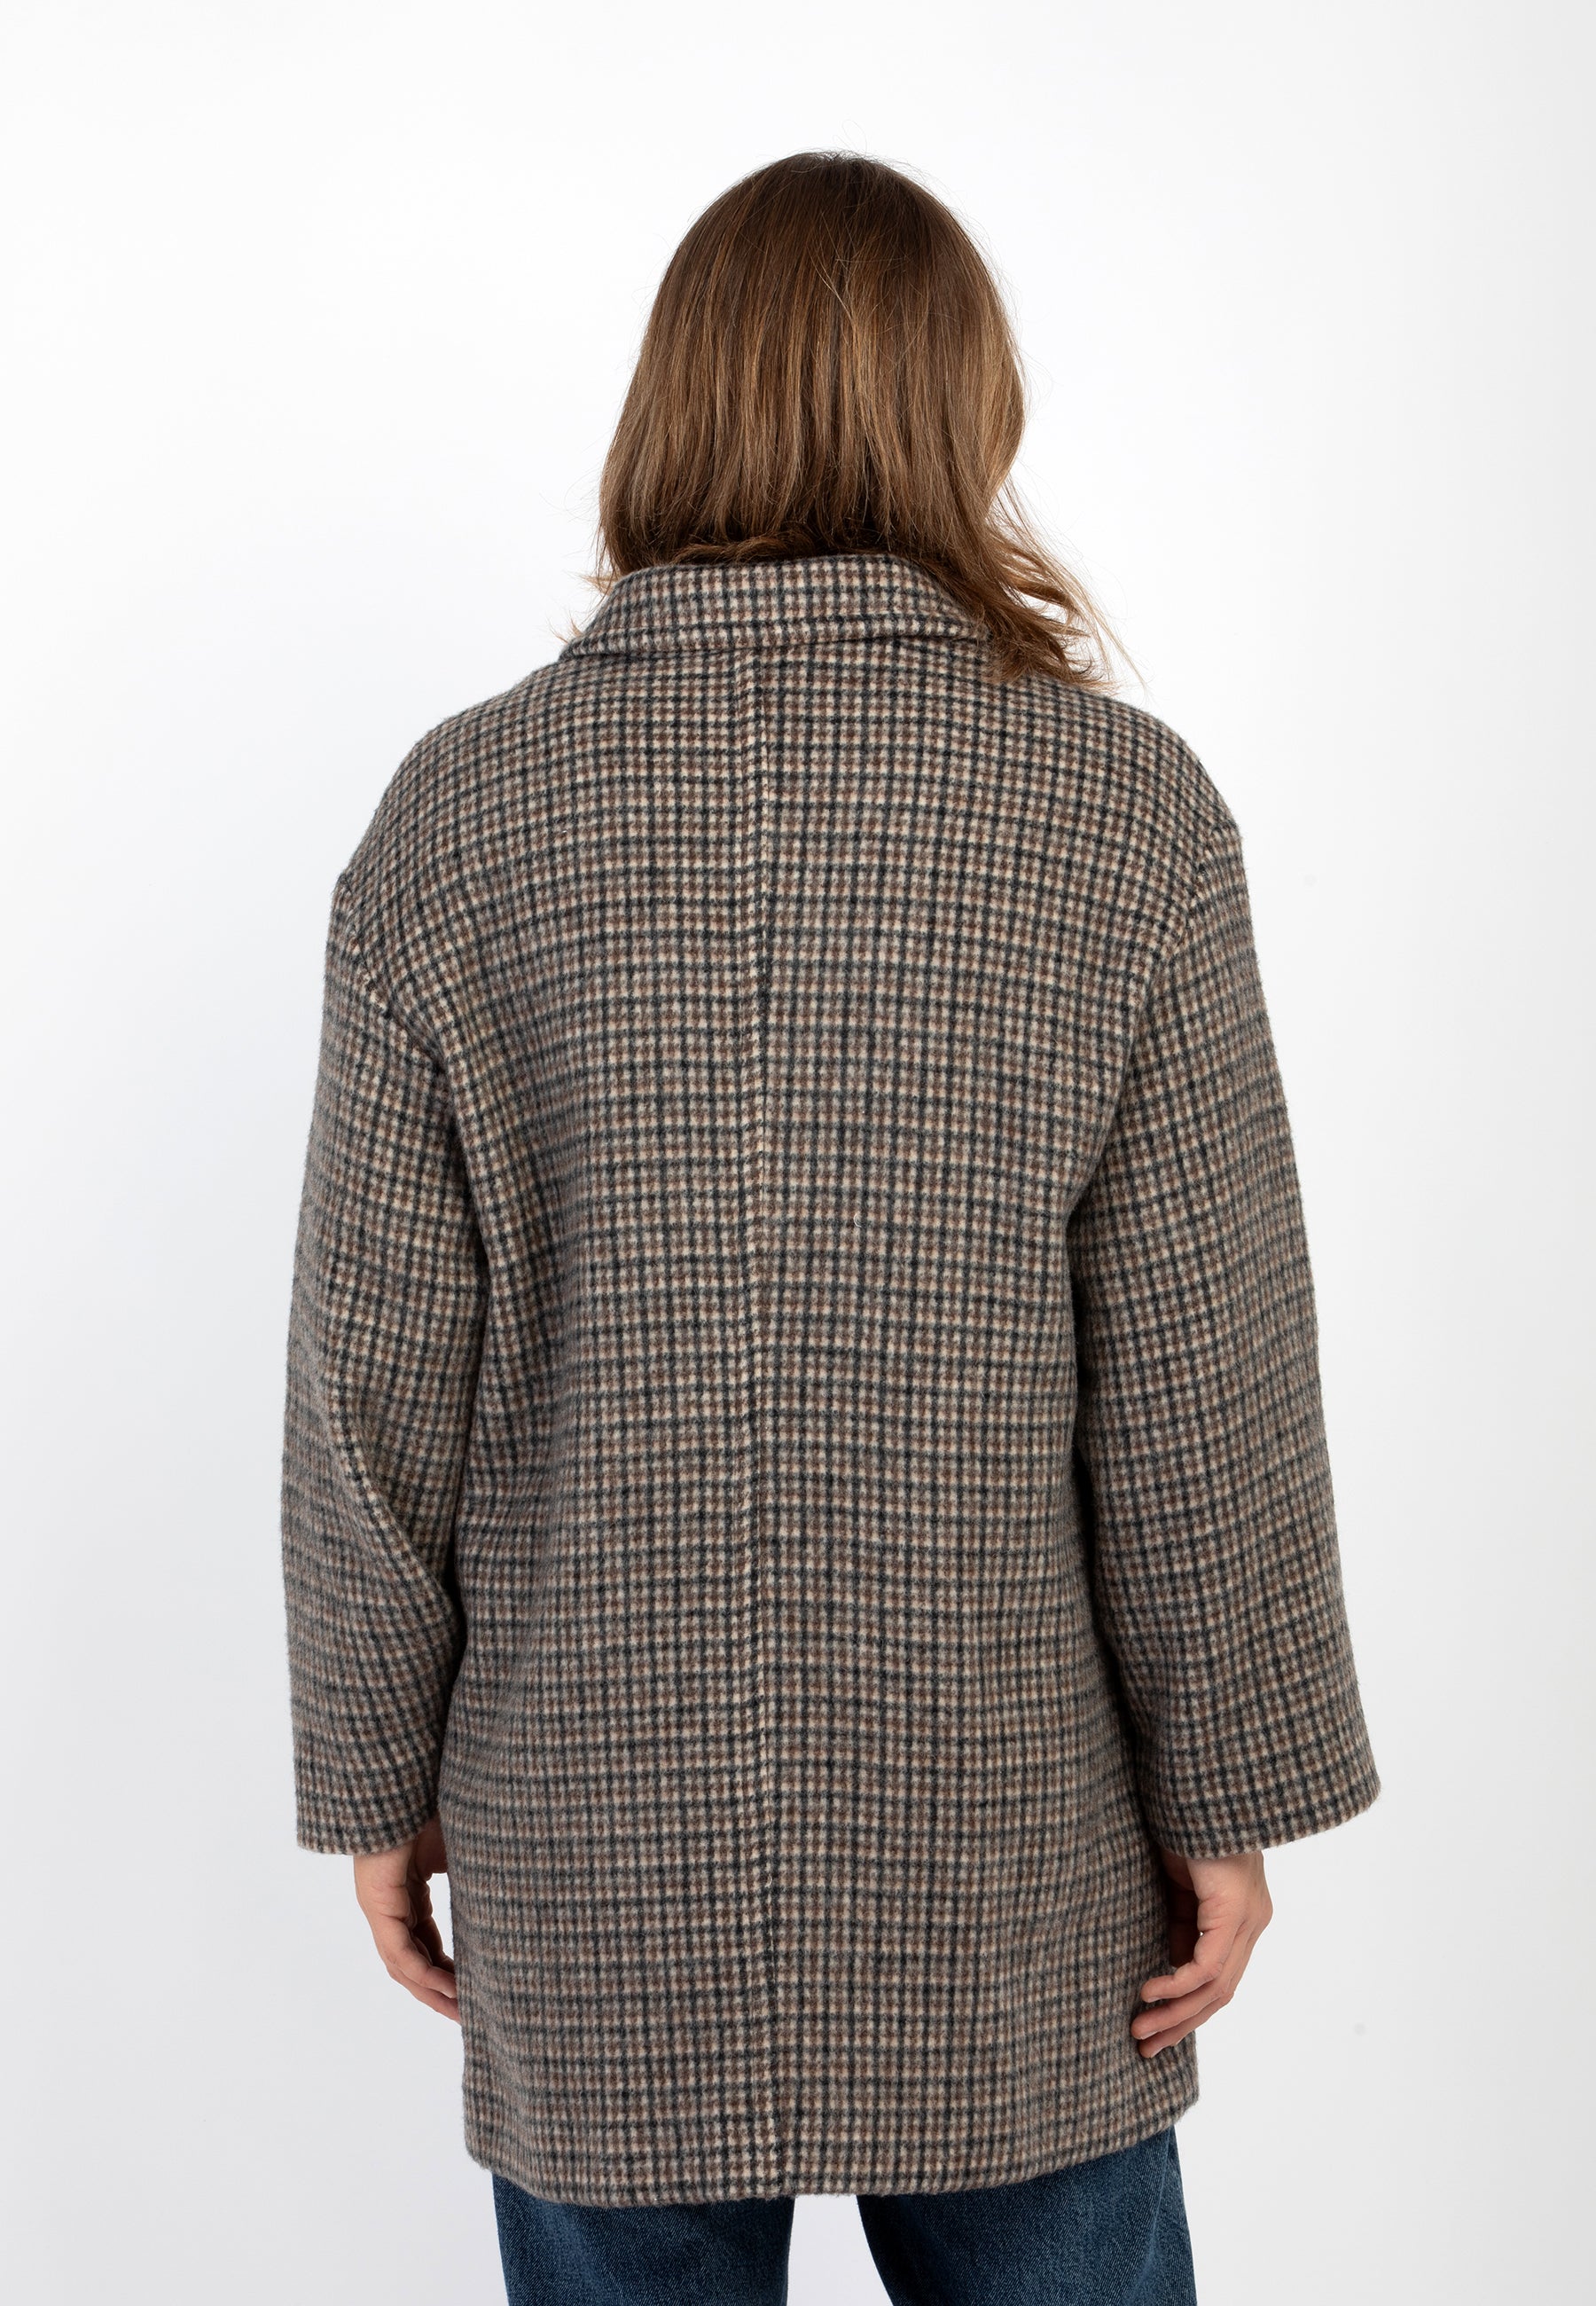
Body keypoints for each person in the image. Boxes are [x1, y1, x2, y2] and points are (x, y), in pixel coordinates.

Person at [280, 151, 1380, 2304]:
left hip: (597, 1846)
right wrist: (1223, 1794)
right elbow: (1206, 1376)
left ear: (672, 404)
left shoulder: (456, 819)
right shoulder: (1124, 814)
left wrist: (377, 1773)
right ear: (963, 412)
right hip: (1011, 1854)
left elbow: (370, 1384)